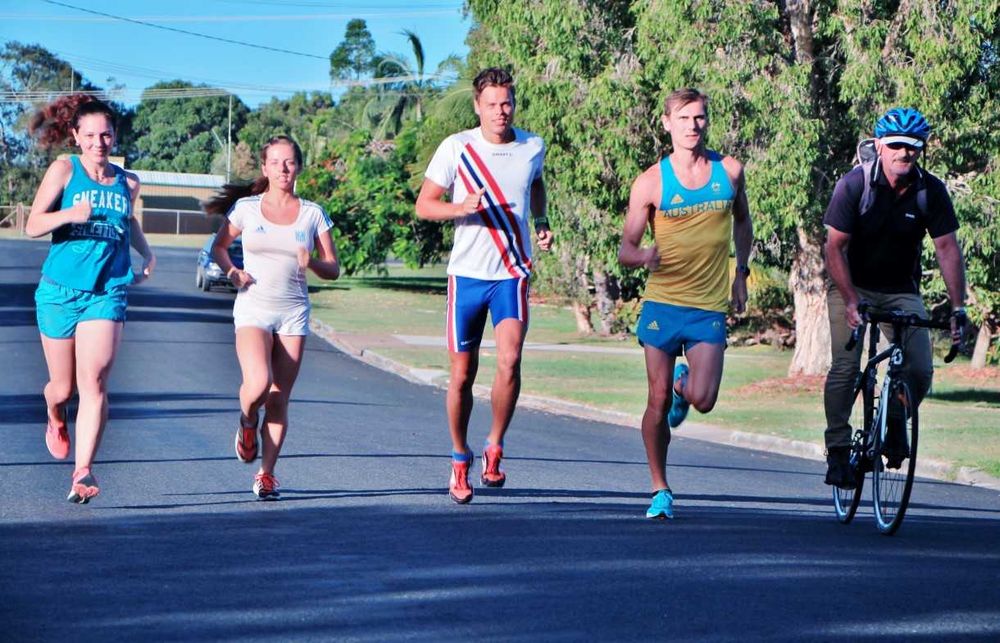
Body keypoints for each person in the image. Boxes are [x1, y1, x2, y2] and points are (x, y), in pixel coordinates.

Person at [415, 67, 553, 504]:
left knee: (510, 361)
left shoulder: (532, 145)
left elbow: (536, 186)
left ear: (514, 103)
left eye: (506, 102)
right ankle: (460, 458)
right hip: (468, 276)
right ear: (478, 106)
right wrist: (460, 208)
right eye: (491, 104)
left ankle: (495, 446)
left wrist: (543, 222)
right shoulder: (457, 147)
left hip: (511, 273)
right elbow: (424, 205)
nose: (500, 111)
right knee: (462, 376)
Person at [618, 88, 753, 519]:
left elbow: (744, 222)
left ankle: (684, 383)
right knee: (656, 400)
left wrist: (741, 273)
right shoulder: (651, 182)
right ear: (667, 123)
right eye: (684, 118)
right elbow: (626, 249)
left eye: (699, 118)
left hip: (708, 307)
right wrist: (644, 256)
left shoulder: (729, 172)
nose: (693, 126)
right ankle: (660, 489)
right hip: (663, 304)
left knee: (704, 398)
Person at [822, 107, 966, 488]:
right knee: (846, 365)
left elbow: (947, 248)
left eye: (913, 147)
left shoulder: (929, 191)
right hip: (851, 286)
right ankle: (837, 450)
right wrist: (851, 300)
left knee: (919, 368)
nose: (905, 153)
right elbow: (834, 248)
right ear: (881, 145)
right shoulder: (854, 185)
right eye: (897, 145)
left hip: (901, 290)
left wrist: (958, 307)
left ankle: (895, 419)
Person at [24, 96, 156, 504]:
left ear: (114, 136)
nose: (100, 142)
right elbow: (32, 225)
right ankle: (54, 414)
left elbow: (128, 221)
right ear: (77, 137)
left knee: (94, 382)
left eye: (107, 134)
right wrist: (68, 215)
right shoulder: (64, 170)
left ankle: (82, 472)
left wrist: (146, 253)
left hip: (107, 290)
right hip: (60, 292)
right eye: (91, 135)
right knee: (62, 388)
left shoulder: (127, 182)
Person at [205, 136, 340, 500]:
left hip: (293, 313)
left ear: (298, 167)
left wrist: (310, 261)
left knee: (280, 399)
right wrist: (233, 272)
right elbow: (218, 247)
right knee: (259, 384)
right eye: (276, 162)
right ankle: (247, 423)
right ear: (264, 168)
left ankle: (266, 474)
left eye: (290, 162)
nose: (283, 168)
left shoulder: (313, 213)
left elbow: (334, 268)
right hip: (253, 308)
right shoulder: (246, 209)